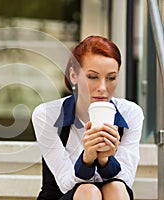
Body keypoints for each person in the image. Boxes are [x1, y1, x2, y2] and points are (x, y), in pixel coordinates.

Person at [32, 35, 144, 200]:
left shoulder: (130, 113)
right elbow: (65, 183)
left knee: (117, 187)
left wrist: (105, 159)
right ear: (74, 76)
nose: (102, 88)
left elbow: (126, 179)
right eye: (93, 77)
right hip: (62, 196)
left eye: (111, 78)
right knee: (88, 192)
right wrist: (87, 158)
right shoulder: (47, 115)